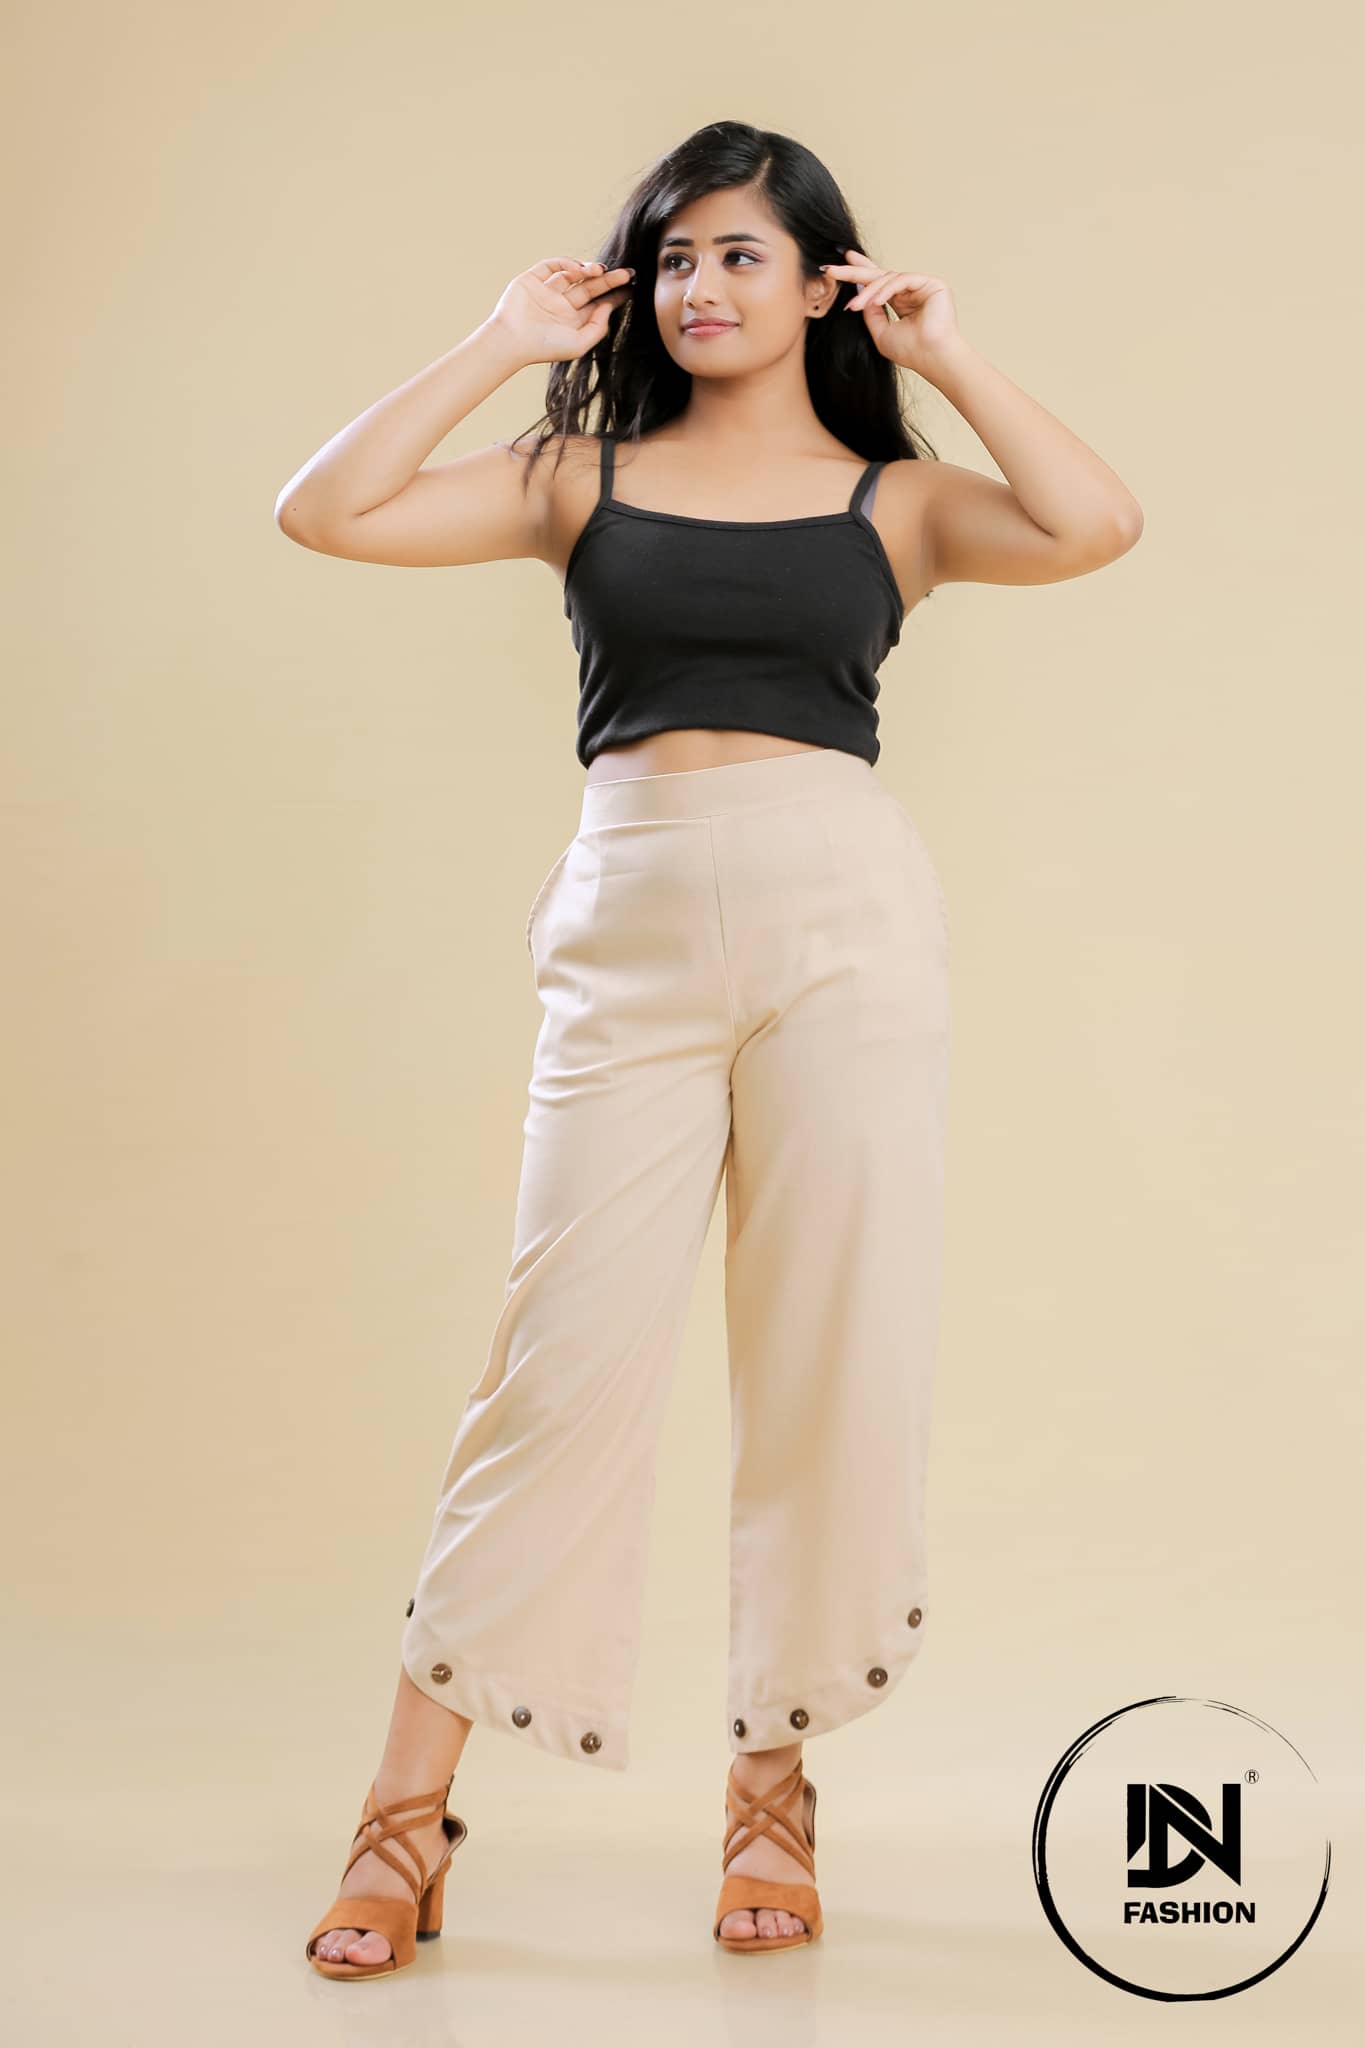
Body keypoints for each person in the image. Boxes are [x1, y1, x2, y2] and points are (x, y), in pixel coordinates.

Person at [277, 118, 1143, 1978]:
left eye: (741, 255)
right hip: (630, 917)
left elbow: (1094, 524)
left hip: (845, 920)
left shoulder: (895, 500)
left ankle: (770, 1789)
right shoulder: (572, 474)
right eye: (673, 257)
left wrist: (947, 354)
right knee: (557, 1360)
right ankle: (406, 1817)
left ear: (823, 281)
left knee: (829, 1347)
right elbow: (325, 512)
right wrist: (500, 341)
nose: (697, 288)